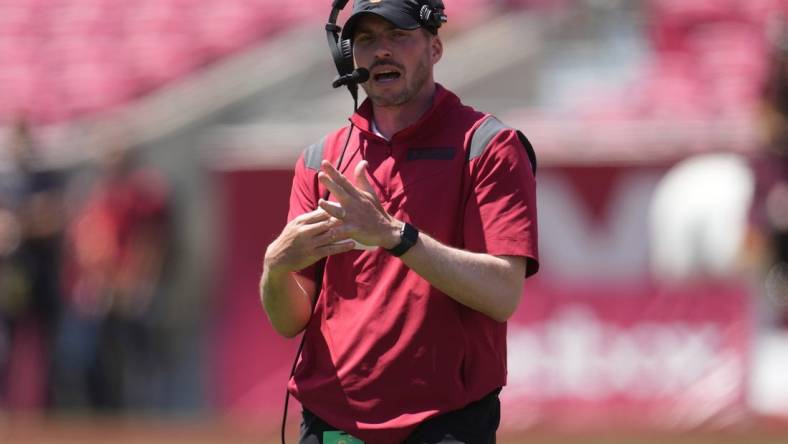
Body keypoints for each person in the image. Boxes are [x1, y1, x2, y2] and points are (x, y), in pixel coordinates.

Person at [260, 1, 539, 442]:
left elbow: (503, 293)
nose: (382, 51)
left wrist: (395, 236)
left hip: (444, 422)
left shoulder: (487, 146)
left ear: (435, 48)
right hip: (332, 422)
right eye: (367, 39)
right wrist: (274, 267)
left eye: (398, 35)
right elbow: (288, 320)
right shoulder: (319, 160)